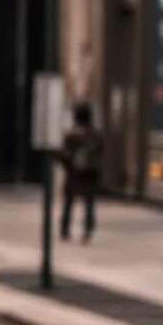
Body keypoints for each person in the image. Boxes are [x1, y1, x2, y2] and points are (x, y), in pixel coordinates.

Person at [59, 100, 102, 242]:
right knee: (89, 203)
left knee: (69, 202)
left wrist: (68, 166)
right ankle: (88, 230)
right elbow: (100, 155)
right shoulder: (95, 135)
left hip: (73, 174)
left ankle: (65, 229)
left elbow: (64, 154)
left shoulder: (71, 135)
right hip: (89, 175)